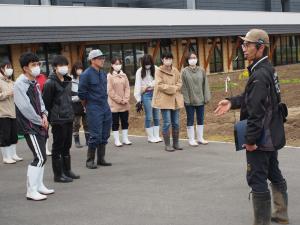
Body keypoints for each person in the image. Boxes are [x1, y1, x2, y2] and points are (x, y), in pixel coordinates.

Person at [214, 29, 289, 225]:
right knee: (274, 173)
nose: (243, 48)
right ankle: (281, 215)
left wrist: (250, 141)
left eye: (247, 44)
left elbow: (256, 113)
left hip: (261, 138)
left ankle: (262, 222)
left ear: (260, 47)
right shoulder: (267, 70)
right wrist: (232, 101)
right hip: (272, 133)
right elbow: (255, 100)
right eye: (243, 44)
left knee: (256, 179)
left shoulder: (259, 75)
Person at [14, 52, 54, 201]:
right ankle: (31, 190)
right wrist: (39, 120)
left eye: (38, 64)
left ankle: (39, 185)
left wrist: (44, 114)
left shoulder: (34, 82)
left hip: (39, 123)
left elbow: (40, 101)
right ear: (25, 68)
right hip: (30, 125)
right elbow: (25, 108)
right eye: (33, 65)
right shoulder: (19, 84)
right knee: (39, 157)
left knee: (42, 157)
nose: (37, 67)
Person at [43, 55, 80, 182]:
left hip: (69, 117)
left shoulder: (68, 80)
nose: (64, 68)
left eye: (65, 65)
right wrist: (48, 119)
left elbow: (69, 97)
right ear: (55, 68)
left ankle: (67, 171)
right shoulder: (50, 83)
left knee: (67, 145)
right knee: (58, 146)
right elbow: (46, 103)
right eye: (60, 65)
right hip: (57, 119)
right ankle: (58, 175)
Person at [78, 49, 112, 169]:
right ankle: (90, 160)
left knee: (105, 133)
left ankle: (101, 158)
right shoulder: (86, 75)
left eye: (103, 58)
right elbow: (81, 94)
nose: (102, 60)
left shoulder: (103, 73)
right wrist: (87, 106)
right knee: (95, 135)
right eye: (99, 58)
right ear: (92, 60)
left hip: (105, 105)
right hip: (93, 107)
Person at [152, 52, 184, 152]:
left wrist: (175, 87)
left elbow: (180, 82)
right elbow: (160, 85)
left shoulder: (175, 70)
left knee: (176, 122)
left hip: (175, 100)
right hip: (164, 100)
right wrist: (172, 88)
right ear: (162, 60)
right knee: (167, 122)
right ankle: (167, 144)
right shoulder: (158, 71)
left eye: (170, 59)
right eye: (167, 59)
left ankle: (176, 143)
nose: (169, 61)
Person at [181, 52, 211, 146]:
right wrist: (186, 99)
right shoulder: (184, 71)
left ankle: (200, 138)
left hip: (200, 99)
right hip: (189, 100)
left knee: (200, 119)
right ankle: (191, 139)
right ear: (187, 60)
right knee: (190, 119)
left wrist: (206, 97)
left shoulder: (201, 70)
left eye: (195, 57)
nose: (193, 59)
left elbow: (205, 84)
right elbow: (183, 87)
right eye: (191, 58)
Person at [134, 54, 162, 143]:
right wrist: (138, 99)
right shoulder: (139, 71)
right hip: (146, 95)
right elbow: (138, 85)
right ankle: (150, 136)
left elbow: (158, 80)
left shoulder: (156, 69)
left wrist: (148, 85)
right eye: (146, 64)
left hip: (155, 93)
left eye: (149, 63)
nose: (147, 65)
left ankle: (156, 135)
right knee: (149, 116)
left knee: (157, 115)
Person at [0, 60, 23, 164]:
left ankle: (13, 154)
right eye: (7, 67)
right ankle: (6, 157)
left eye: (10, 67)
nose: (9, 69)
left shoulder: (11, 81)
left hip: (12, 112)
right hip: (3, 113)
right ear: (1, 69)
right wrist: (8, 93)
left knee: (14, 135)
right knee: (5, 135)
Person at [107, 57, 132, 147]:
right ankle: (117, 140)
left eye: (119, 64)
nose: (118, 65)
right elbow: (110, 91)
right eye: (116, 64)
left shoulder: (124, 75)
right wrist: (119, 100)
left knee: (125, 121)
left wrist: (125, 99)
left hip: (124, 103)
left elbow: (127, 88)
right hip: (114, 104)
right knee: (115, 122)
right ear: (112, 65)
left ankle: (125, 138)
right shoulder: (109, 76)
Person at [70, 61, 89, 148]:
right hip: (75, 106)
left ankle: (88, 140)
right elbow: (68, 97)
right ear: (74, 69)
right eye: (78, 69)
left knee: (87, 123)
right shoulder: (70, 80)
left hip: (85, 104)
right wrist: (79, 97)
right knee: (76, 124)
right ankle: (77, 141)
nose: (79, 70)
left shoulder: (85, 78)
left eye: (81, 69)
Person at [36, 73, 52, 156]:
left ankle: (45, 149)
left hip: (44, 105)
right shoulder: (28, 78)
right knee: (38, 128)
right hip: (35, 106)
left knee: (46, 127)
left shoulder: (43, 76)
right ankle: (39, 149)